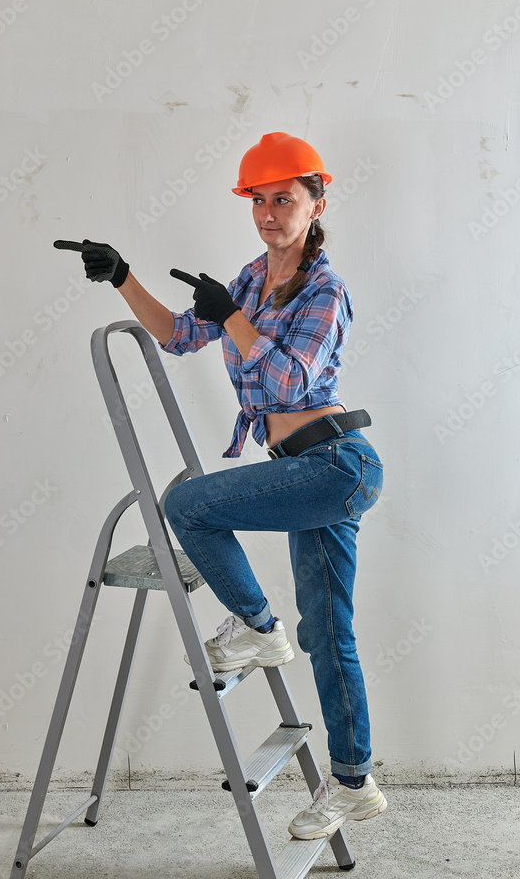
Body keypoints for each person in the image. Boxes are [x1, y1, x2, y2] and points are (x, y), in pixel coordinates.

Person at [54, 131, 387, 840]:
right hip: (299, 470)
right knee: (329, 636)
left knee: (186, 505)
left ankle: (257, 629)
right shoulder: (247, 277)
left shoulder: (324, 289)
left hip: (335, 464)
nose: (269, 214)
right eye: (259, 200)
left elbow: (285, 380)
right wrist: (121, 275)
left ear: (315, 201)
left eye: (284, 199)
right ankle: (353, 785)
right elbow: (178, 336)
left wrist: (230, 317)